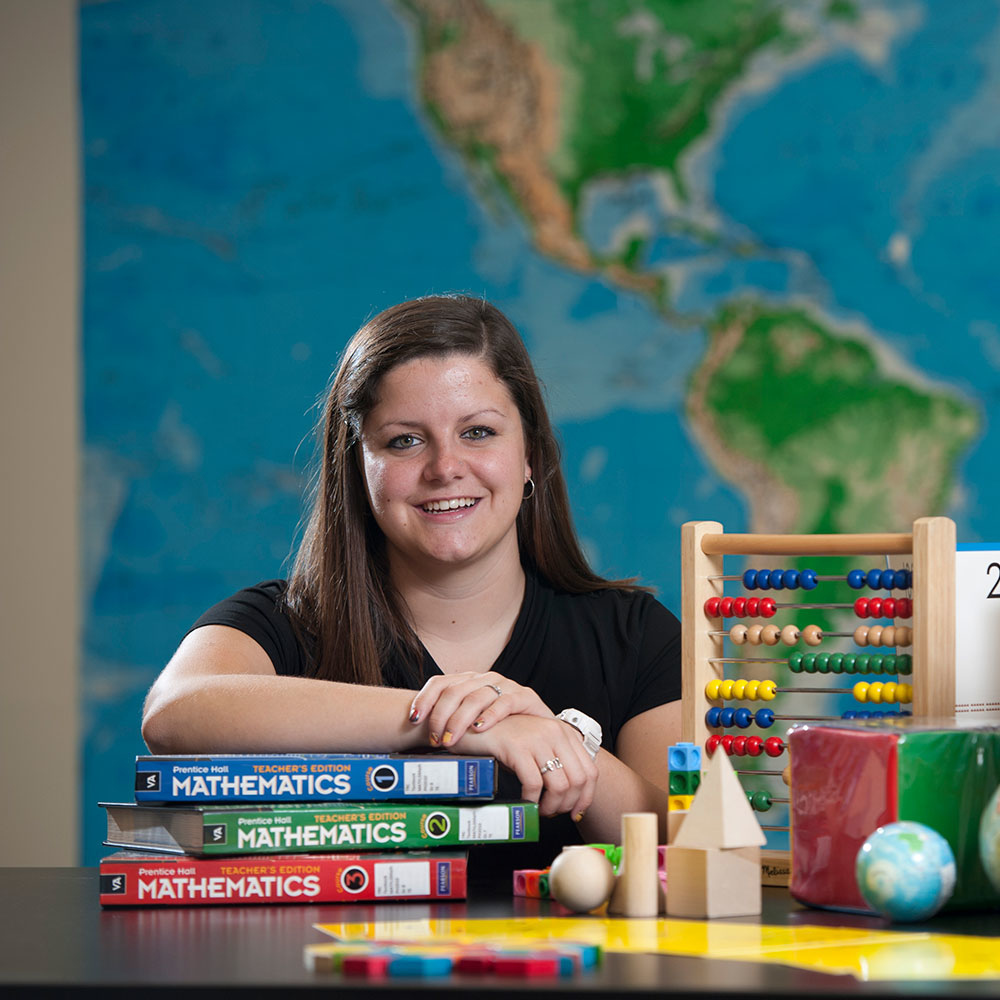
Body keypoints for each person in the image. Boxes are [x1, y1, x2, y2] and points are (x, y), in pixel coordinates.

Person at [141, 293, 681, 883]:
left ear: (530, 455)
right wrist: (463, 720)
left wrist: (565, 746)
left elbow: (683, 849)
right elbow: (174, 714)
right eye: (405, 440)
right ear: (357, 467)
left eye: (478, 432)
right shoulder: (281, 620)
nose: (445, 467)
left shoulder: (637, 636)